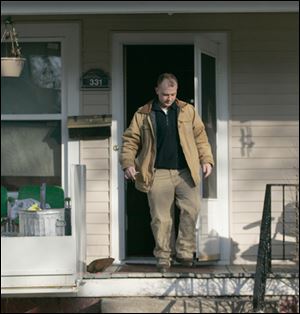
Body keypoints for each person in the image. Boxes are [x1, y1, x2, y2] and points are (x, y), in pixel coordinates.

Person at [120, 73, 214, 272]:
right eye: (164, 94)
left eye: (172, 94)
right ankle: (163, 257)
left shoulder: (187, 111)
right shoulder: (143, 114)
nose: (169, 98)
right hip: (157, 173)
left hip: (185, 171)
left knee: (192, 208)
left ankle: (185, 253)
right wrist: (128, 163)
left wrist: (207, 159)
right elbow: (130, 140)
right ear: (156, 91)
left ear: (176, 92)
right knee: (161, 218)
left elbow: (201, 137)